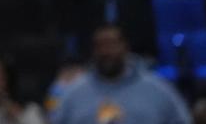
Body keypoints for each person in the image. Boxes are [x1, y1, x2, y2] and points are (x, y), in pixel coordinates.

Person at [52, 24, 191, 124]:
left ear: (125, 47)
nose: (106, 52)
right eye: (100, 46)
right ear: (93, 50)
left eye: (112, 44)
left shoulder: (159, 91)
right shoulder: (72, 94)